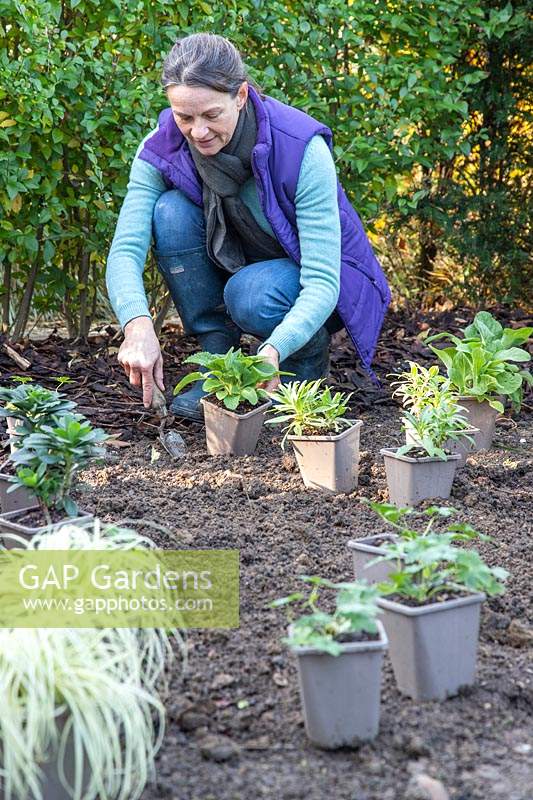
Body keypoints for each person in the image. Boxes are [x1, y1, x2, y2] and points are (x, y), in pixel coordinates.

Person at [106, 33, 390, 420]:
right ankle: (216, 358)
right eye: (184, 116)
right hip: (243, 259)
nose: (198, 131)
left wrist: (273, 350)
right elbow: (125, 248)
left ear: (240, 96)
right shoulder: (163, 145)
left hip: (312, 280)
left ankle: (303, 365)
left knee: (250, 293)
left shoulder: (301, 148)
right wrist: (136, 324)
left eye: (211, 115)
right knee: (169, 212)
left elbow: (324, 281)